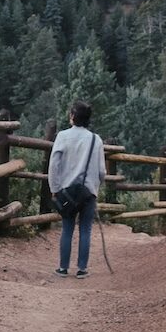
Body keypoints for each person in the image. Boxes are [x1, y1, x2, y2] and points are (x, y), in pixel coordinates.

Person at [48, 100, 106, 279]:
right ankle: (82, 269)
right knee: (86, 230)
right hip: (88, 192)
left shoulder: (63, 136)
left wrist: (55, 188)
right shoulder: (96, 140)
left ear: (73, 116)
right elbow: (102, 171)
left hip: (67, 191)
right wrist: (96, 186)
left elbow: (54, 165)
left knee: (67, 229)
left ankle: (63, 268)